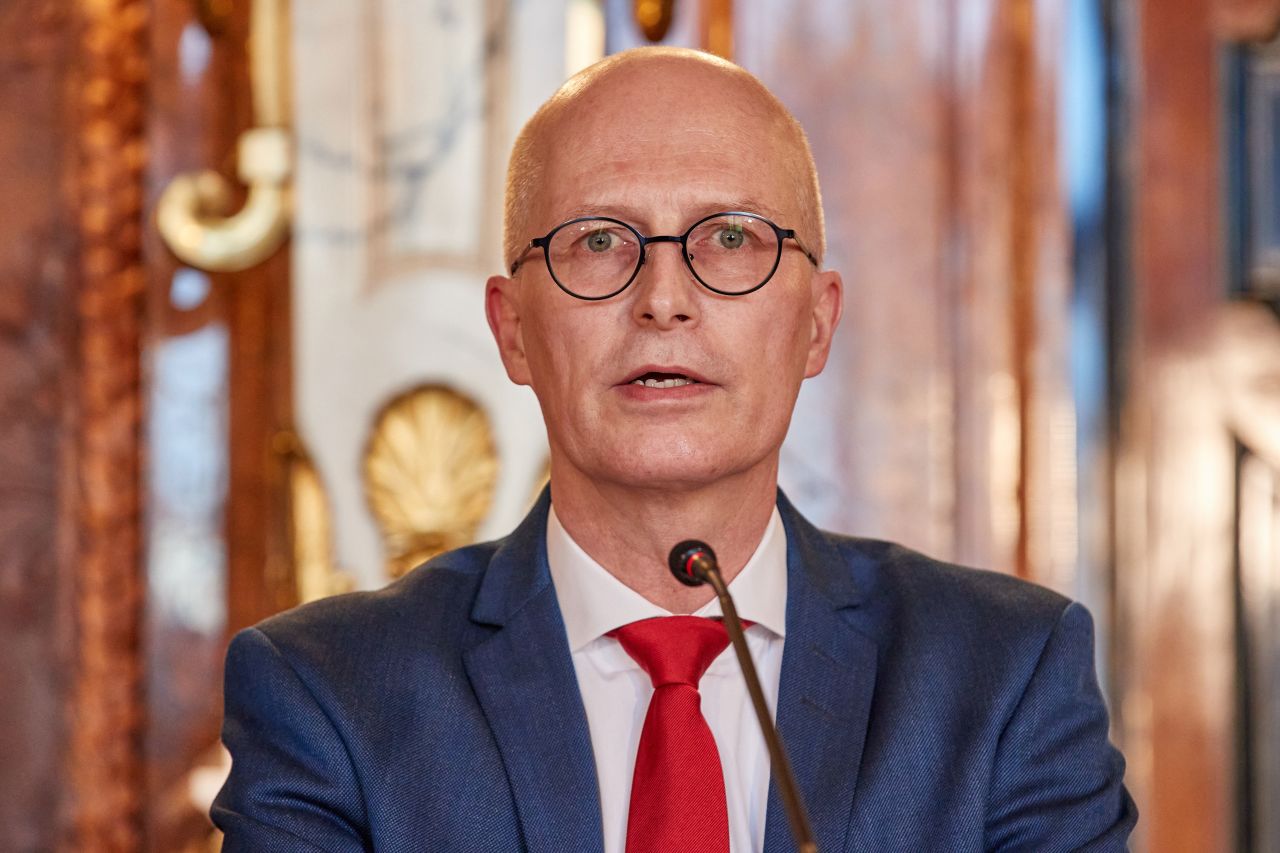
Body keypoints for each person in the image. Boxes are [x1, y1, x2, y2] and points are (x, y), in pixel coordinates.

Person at [212, 47, 1136, 852]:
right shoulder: (329, 695)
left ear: (816, 326)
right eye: (600, 241)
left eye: (730, 238)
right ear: (514, 331)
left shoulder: (1003, 674)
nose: (663, 297)